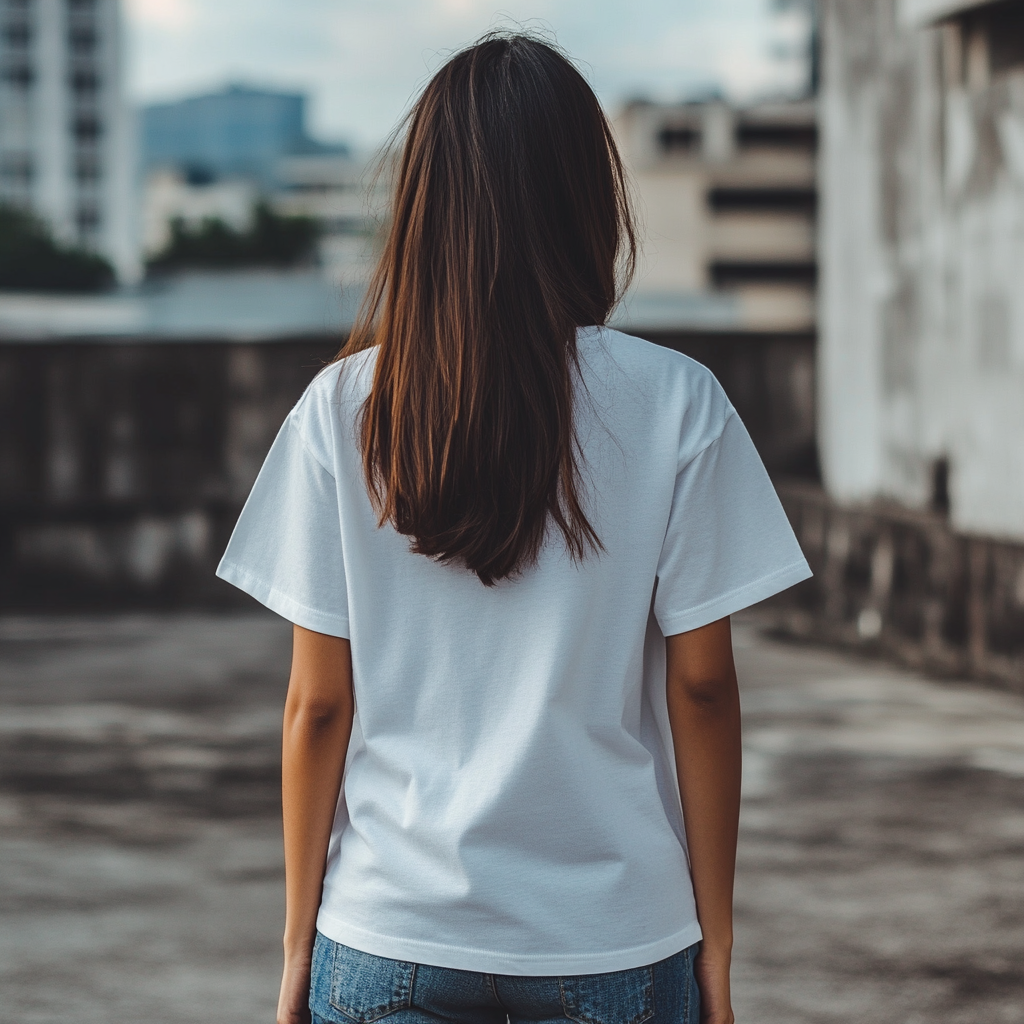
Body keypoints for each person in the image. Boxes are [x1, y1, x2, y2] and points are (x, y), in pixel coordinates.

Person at [216, 32, 810, 1024]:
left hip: (385, 933)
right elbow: (702, 686)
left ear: (425, 203)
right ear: (589, 196)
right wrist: (718, 939)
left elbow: (317, 707)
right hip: (615, 938)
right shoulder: (678, 402)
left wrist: (295, 943)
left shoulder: (342, 408)